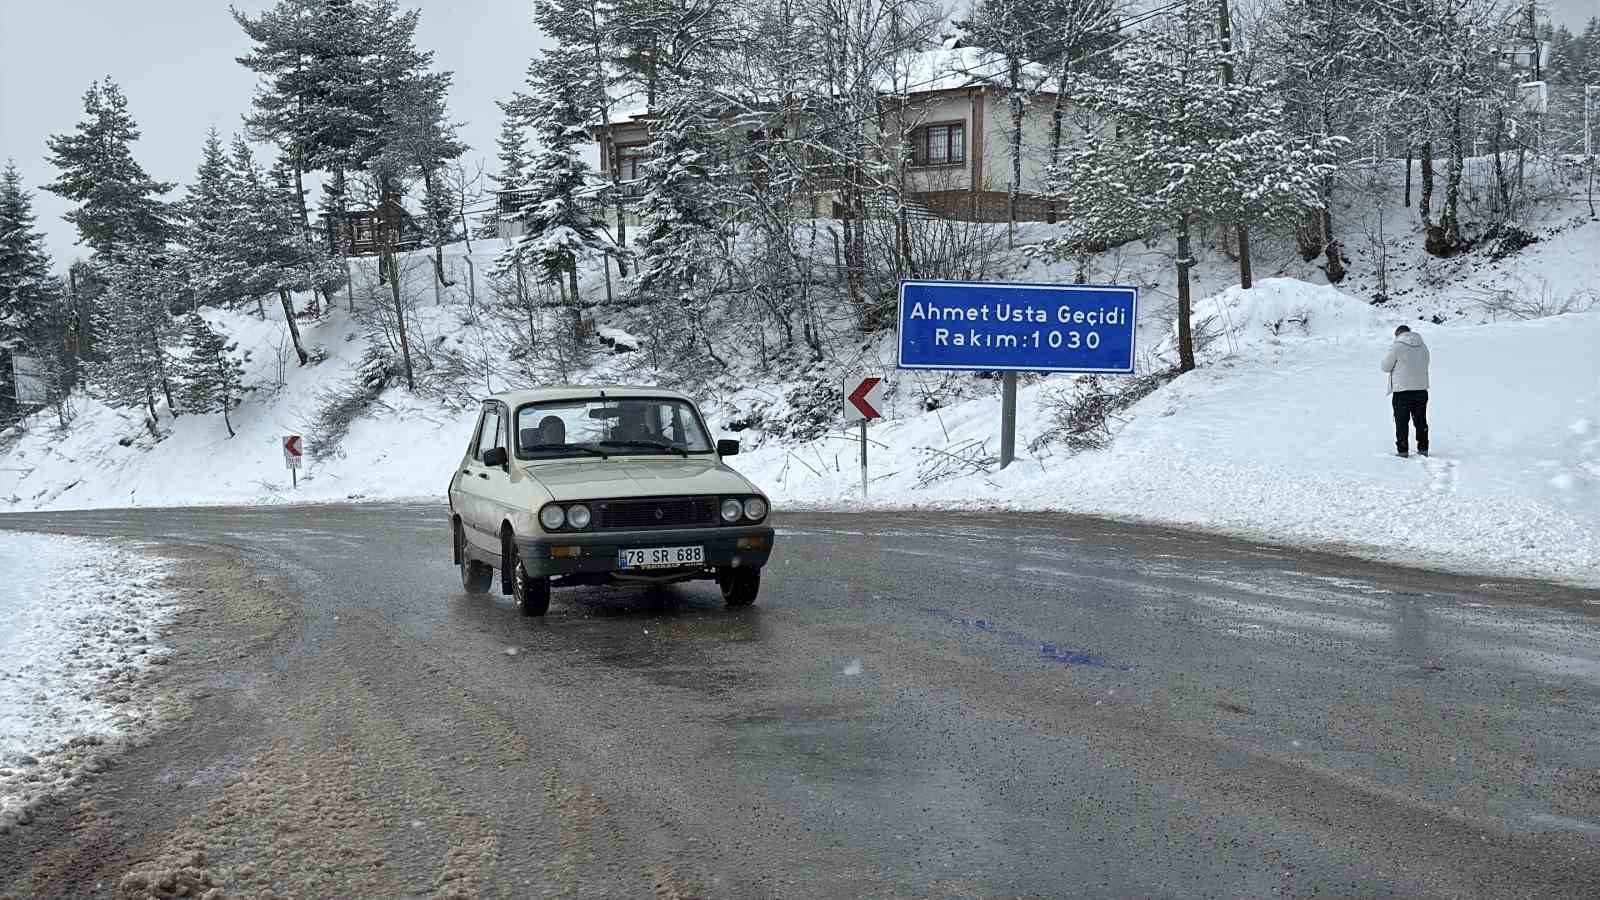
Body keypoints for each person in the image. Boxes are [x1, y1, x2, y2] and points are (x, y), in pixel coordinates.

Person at [1381, 325, 1430, 457]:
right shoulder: (1423, 346)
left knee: (1401, 422)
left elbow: (1385, 367)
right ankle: (1423, 448)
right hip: (1421, 389)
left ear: (1398, 335)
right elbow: (1426, 363)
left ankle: (1402, 451)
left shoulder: (1396, 346)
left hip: (1402, 391)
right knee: (1420, 421)